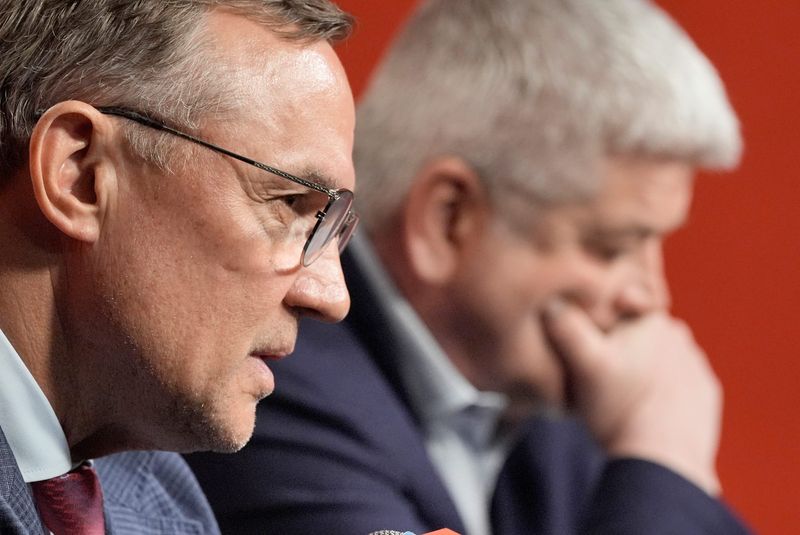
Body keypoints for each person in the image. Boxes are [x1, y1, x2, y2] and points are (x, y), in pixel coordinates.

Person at [186, 0, 753, 534]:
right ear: (447, 217)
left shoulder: (555, 407)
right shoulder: (268, 381)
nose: (650, 297)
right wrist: (663, 457)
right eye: (609, 247)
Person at [0, 1, 357, 533]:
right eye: (288, 205)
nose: (332, 295)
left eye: (330, 228)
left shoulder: (168, 503)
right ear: (81, 176)